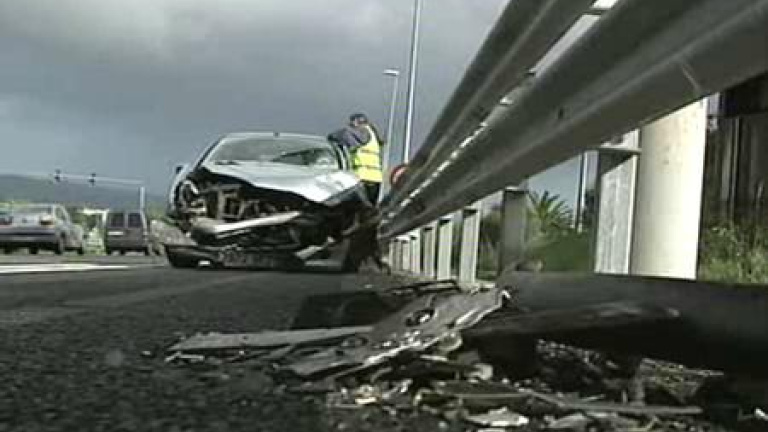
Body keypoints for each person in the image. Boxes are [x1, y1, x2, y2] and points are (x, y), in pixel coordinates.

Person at [328, 113, 384, 205]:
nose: (350, 126)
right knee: (369, 209)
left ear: (356, 122)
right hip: (375, 179)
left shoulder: (363, 132)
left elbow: (345, 134)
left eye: (351, 123)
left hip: (362, 177)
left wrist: (331, 137)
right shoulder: (372, 135)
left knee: (356, 208)